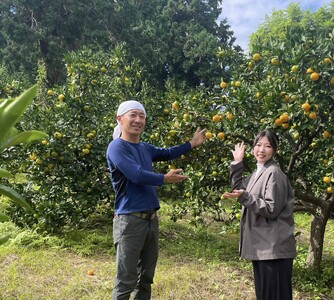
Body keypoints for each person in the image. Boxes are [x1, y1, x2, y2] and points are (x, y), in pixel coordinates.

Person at [106, 100, 206, 300]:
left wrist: (192, 143)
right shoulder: (116, 147)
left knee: (146, 277)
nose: (138, 120)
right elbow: (137, 175)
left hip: (151, 219)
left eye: (141, 116)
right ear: (120, 118)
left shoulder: (144, 148)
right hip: (129, 220)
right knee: (126, 279)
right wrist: (164, 179)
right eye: (133, 115)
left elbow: (168, 153)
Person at [222, 130, 296, 300]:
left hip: (273, 249)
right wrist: (237, 163)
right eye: (258, 145)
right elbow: (238, 189)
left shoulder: (273, 173)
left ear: (275, 150)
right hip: (263, 247)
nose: (261, 150)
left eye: (267, 146)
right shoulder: (258, 173)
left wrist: (244, 196)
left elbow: (272, 209)